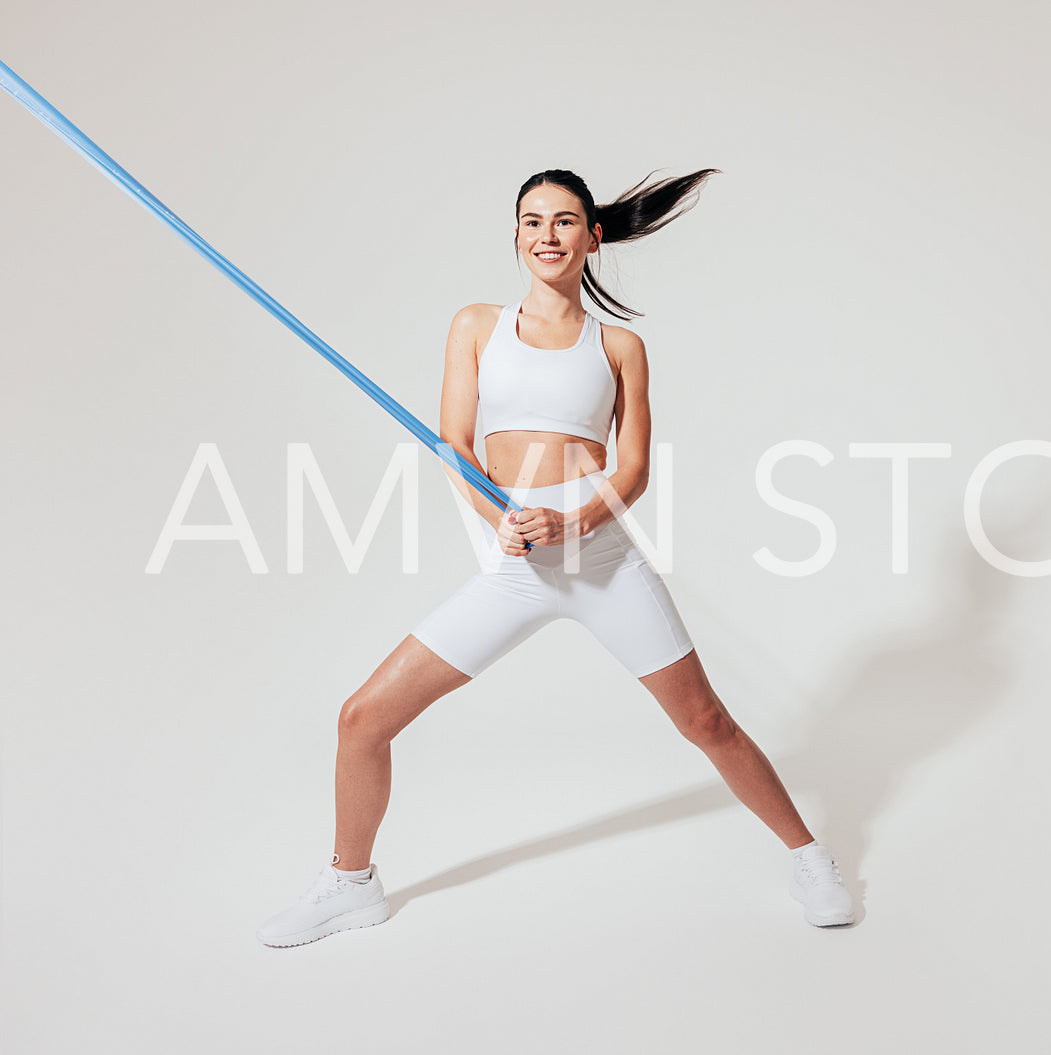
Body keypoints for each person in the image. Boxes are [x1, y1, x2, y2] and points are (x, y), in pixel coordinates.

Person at [257, 168, 855, 947]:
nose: (547, 234)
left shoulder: (620, 347)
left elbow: (632, 471)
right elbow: (455, 446)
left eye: (564, 221)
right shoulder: (475, 325)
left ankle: (811, 859)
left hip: (601, 559)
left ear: (591, 236)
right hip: (514, 565)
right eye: (531, 221)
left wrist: (566, 524)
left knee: (706, 720)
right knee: (362, 718)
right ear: (515, 236)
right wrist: (498, 521)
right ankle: (350, 882)